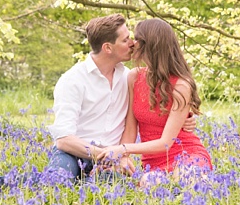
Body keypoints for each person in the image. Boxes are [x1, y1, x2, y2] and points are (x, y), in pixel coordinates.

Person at [46, 14, 195, 181]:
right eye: (125, 40)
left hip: (114, 158)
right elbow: (64, 140)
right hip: (75, 153)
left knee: (109, 189)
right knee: (55, 180)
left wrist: (186, 117)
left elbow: (160, 99)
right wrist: (108, 155)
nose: (132, 43)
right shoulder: (72, 80)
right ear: (108, 48)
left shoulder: (128, 78)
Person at [96, 18, 212, 181]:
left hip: (186, 154)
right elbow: (131, 128)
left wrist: (122, 149)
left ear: (150, 45)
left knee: (186, 177)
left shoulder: (181, 85)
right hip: (153, 162)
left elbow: (165, 143)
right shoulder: (134, 77)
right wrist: (122, 156)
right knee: (151, 183)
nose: (132, 43)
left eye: (136, 39)